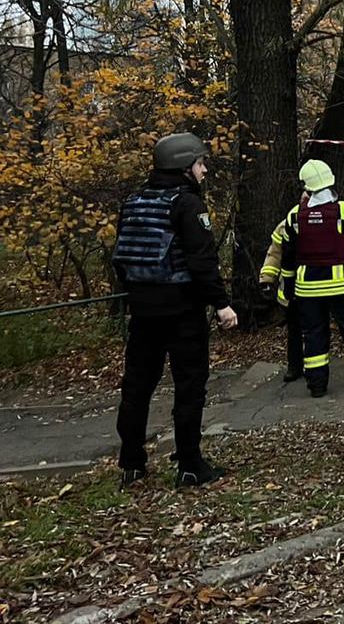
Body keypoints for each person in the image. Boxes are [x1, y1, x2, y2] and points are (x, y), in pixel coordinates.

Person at [112, 132, 238, 488]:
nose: (204, 171)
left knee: (137, 386)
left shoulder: (134, 201)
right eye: (200, 163)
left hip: (142, 310)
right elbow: (202, 260)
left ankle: (132, 463)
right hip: (182, 310)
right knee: (189, 386)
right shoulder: (186, 204)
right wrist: (221, 304)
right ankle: (189, 463)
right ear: (183, 166)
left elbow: (122, 256)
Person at [277, 160, 344, 398]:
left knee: (313, 334)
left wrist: (285, 289)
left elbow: (287, 256)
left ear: (306, 186)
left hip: (308, 288)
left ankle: (317, 385)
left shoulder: (295, 216)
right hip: (343, 284)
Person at [259, 214, 303, 381]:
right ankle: (295, 366)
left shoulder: (324, 218)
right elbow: (275, 254)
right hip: (291, 289)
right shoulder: (286, 225)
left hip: (318, 288)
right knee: (294, 330)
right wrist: (267, 278)